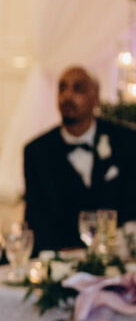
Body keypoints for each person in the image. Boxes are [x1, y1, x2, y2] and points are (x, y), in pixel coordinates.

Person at [23, 66, 136, 254]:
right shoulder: (36, 151)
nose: (68, 96)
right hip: (61, 255)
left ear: (96, 98)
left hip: (116, 254)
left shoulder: (126, 141)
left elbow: (132, 206)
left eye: (78, 89)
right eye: (62, 88)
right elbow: (36, 218)